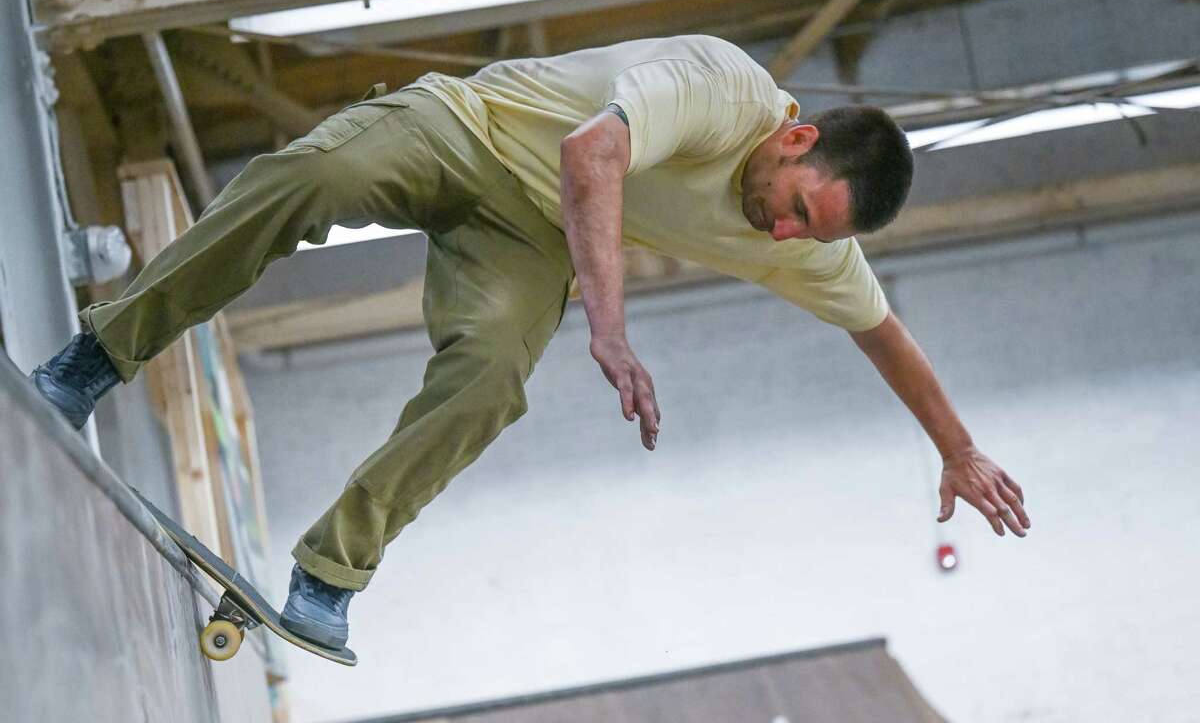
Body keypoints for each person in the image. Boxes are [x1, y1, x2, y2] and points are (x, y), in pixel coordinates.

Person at [30, 34, 1030, 650]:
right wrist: (609, 324)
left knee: (492, 377)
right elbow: (592, 152)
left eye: (809, 235)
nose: (784, 235)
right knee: (313, 182)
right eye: (795, 207)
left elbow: (885, 333)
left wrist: (958, 446)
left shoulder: (810, 245)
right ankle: (94, 359)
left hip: (531, 239)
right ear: (797, 139)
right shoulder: (723, 86)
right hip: (468, 130)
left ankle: (331, 570)